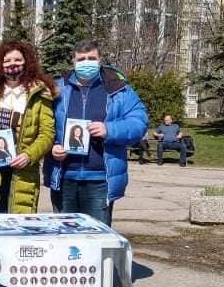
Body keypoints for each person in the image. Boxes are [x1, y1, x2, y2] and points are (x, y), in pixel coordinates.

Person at [43, 40, 149, 226]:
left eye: (91, 58)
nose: (86, 63)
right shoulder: (57, 89)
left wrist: (110, 129)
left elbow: (139, 122)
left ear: (100, 60)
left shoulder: (118, 89)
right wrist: (53, 147)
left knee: (97, 237)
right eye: (81, 59)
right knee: (63, 236)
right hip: (64, 177)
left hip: (100, 179)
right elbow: (43, 125)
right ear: (73, 62)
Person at [0, 40, 56, 213]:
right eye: (7, 61)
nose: (12, 64)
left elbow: (47, 133)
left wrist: (29, 155)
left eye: (18, 60)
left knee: (19, 223)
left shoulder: (40, 91)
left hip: (23, 171)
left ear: (27, 62)